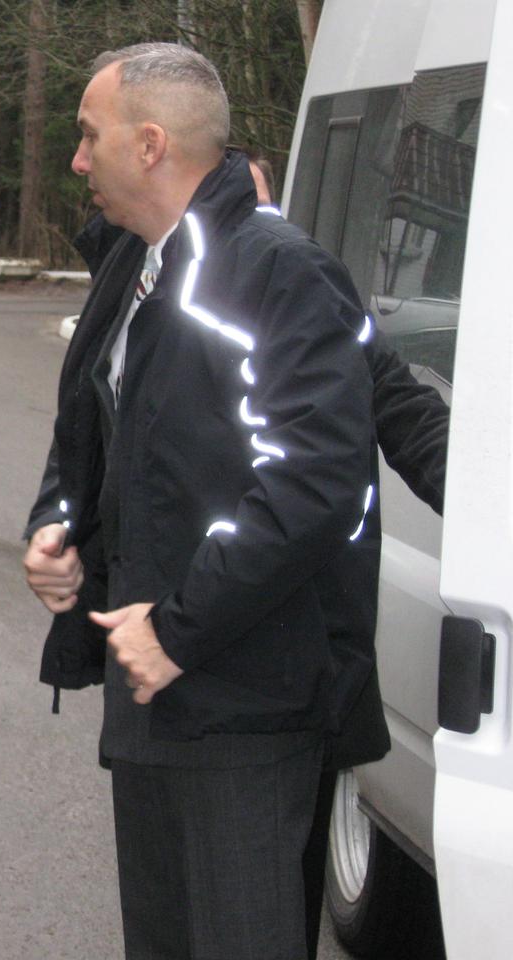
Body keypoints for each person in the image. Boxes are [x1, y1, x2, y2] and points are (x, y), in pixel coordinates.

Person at [26, 152, 449, 959]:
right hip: (152, 681)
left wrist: (486, 516)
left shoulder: (284, 278)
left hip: (258, 681)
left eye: (89, 136)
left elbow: (369, 434)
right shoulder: (133, 269)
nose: (75, 158)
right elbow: (92, 426)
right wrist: (59, 524)